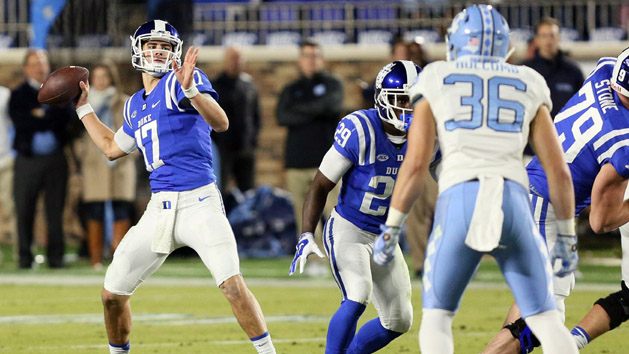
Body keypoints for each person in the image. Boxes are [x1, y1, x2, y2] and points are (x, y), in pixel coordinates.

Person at [373, 5, 579, 354]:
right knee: (545, 318)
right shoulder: (527, 79)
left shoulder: (436, 76)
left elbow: (415, 164)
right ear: (504, 44)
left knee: (437, 319)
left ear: (456, 42)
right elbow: (558, 171)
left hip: (461, 200)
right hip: (514, 201)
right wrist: (567, 234)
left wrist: (392, 227)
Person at [73, 20, 275, 354]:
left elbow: (221, 122)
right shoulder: (135, 103)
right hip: (159, 209)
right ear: (138, 49)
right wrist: (83, 107)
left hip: (199, 202)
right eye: (152, 45)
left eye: (165, 46)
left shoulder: (181, 82)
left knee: (232, 286)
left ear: (175, 53)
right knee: (111, 295)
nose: (158, 51)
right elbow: (111, 147)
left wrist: (193, 91)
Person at [482, 49, 629, 354]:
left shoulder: (604, 73)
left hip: (527, 189)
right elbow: (601, 221)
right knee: (542, 319)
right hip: (543, 205)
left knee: (531, 308)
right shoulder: (623, 141)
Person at [289, 60, 421, 353]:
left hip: (386, 235)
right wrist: (307, 234)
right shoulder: (360, 128)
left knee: (400, 320)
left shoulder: (425, 135)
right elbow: (321, 184)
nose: (408, 108)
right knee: (358, 293)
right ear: (382, 98)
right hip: (349, 227)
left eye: (414, 99)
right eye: (401, 99)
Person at [10, 49, 77, 269]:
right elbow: (22, 122)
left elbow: (66, 120)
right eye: (34, 63)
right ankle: (25, 258)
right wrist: (47, 117)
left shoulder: (60, 92)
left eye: (42, 62)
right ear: (26, 68)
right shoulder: (18, 93)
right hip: (27, 160)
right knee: (24, 209)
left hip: (55, 160)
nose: (39, 67)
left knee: (56, 210)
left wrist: (40, 116)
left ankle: (56, 258)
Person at [276, 39, 344, 255]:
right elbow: (282, 116)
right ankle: (313, 259)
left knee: (335, 212)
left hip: (327, 162)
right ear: (300, 60)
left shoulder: (333, 84)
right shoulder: (291, 88)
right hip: (296, 161)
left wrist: (300, 111)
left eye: (315, 56)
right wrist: (315, 110)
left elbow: (331, 105)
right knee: (304, 215)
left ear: (321, 59)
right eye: (307, 56)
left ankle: (340, 256)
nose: (311, 61)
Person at [76, 61, 136, 270]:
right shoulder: (82, 103)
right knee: (94, 210)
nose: (101, 81)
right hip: (94, 164)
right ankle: (95, 258)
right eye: (97, 77)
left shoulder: (125, 101)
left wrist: (126, 155)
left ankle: (119, 257)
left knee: (121, 209)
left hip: (121, 162)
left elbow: (134, 133)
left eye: (105, 76)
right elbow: (76, 135)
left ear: (112, 78)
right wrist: (82, 152)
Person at [211, 47, 261, 194]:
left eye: (238, 58)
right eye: (232, 58)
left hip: (245, 148)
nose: (235, 62)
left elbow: (256, 116)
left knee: (248, 191)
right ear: (225, 61)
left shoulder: (249, 86)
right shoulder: (215, 85)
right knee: (219, 188)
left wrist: (252, 140)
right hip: (222, 148)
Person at [522, 17, 584, 118]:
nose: (548, 40)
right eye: (544, 36)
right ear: (536, 39)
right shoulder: (526, 70)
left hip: (566, 130)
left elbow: (582, 103)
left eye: (552, 36)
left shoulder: (573, 71)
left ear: (559, 38)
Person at [0, 83, 13, 244]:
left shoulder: (5, 94)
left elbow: (15, 123)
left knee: (13, 208)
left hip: (5, 159)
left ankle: (23, 254)